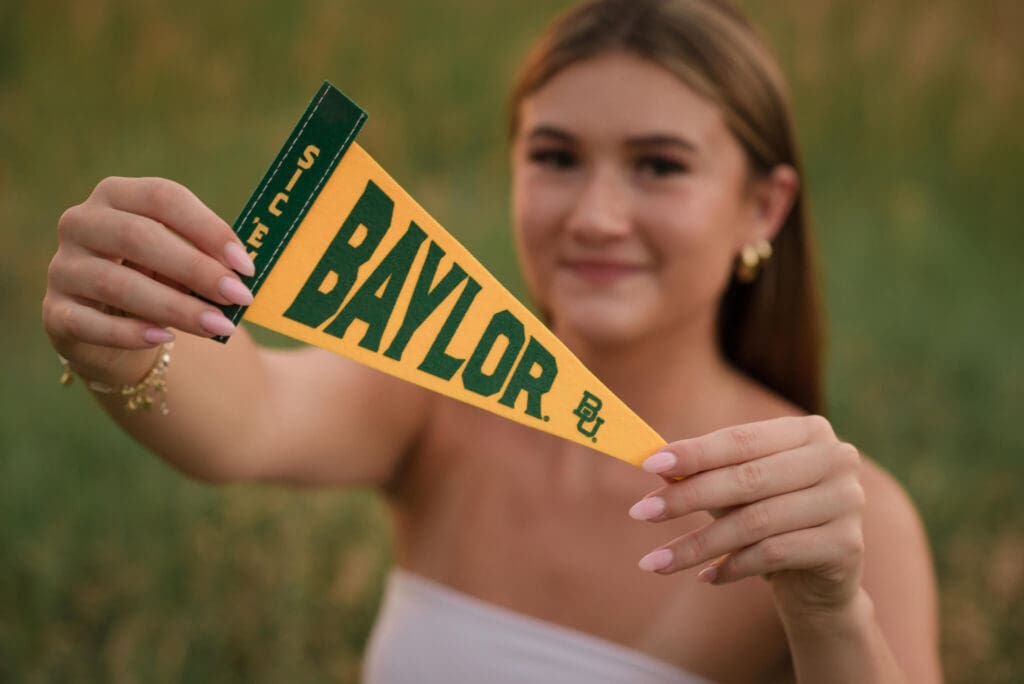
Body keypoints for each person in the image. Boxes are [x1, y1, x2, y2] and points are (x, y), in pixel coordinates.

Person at [42, 0, 942, 681]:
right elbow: (250, 417)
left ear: (764, 206)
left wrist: (829, 614)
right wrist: (125, 336)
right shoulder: (435, 406)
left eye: (659, 166)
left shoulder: (837, 524)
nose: (595, 217)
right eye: (555, 157)